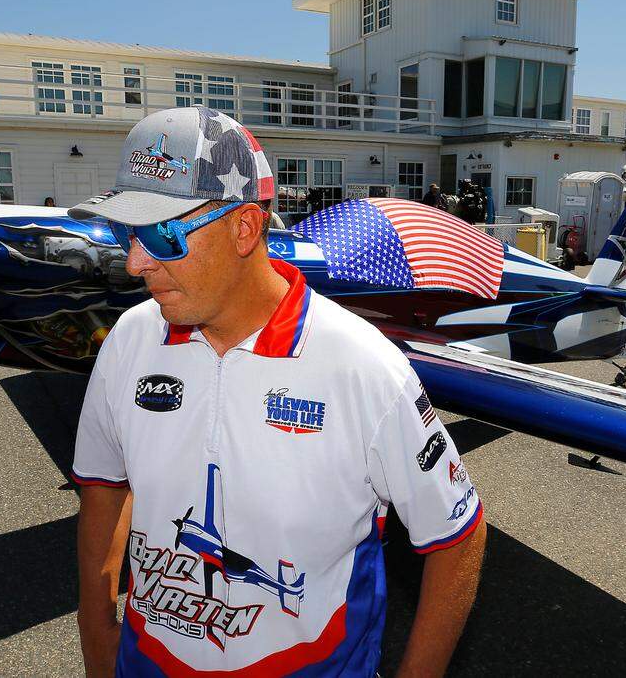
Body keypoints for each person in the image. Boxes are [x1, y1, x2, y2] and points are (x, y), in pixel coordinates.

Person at [68, 106, 486, 677]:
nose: (135, 262)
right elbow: (104, 485)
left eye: (161, 235)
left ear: (244, 227)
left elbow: (457, 534)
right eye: (125, 232)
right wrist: (96, 632)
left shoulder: (364, 368)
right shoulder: (128, 339)